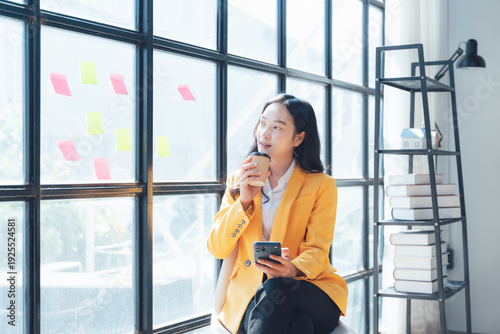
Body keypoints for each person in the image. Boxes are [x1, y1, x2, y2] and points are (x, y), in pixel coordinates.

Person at [207, 94, 348, 334]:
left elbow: (317, 250)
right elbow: (217, 247)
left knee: (277, 288)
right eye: (262, 123)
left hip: (309, 288)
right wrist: (244, 201)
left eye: (276, 127)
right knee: (299, 325)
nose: (264, 133)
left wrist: (291, 269)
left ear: (299, 138)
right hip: (250, 295)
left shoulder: (321, 185)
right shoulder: (238, 180)